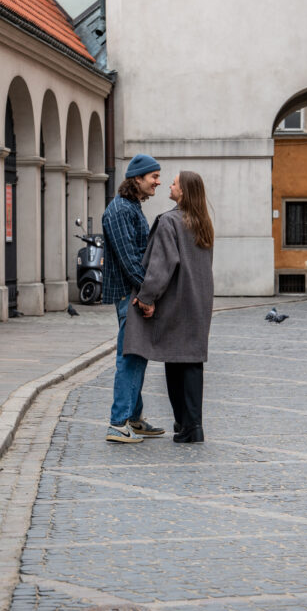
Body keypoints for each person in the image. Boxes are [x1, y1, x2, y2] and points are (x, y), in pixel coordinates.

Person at [123, 170, 215, 443]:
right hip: (199, 299)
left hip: (176, 300)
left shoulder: (170, 221)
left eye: (174, 183)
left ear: (183, 191)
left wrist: (147, 297)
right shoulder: (203, 222)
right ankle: (193, 425)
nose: (169, 186)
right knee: (192, 361)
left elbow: (161, 265)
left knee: (175, 361)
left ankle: (185, 425)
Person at [101, 153, 165, 443]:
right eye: (154, 176)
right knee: (129, 358)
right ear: (137, 178)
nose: (158, 182)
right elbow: (129, 259)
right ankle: (117, 423)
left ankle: (134, 419)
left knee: (137, 355)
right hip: (130, 294)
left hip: (134, 293)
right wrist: (146, 294)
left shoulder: (130, 206)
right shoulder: (118, 210)